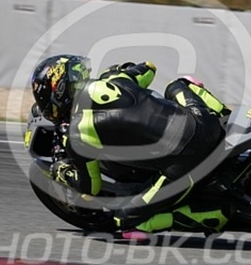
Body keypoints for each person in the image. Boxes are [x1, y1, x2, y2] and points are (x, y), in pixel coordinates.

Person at [31, 54, 233, 240]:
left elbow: (90, 188)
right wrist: (124, 69)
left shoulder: (77, 134)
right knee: (178, 85)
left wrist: (63, 172)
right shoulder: (114, 80)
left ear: (57, 93)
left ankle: (216, 215)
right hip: (204, 122)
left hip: (186, 163)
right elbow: (149, 68)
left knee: (125, 221)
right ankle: (227, 117)